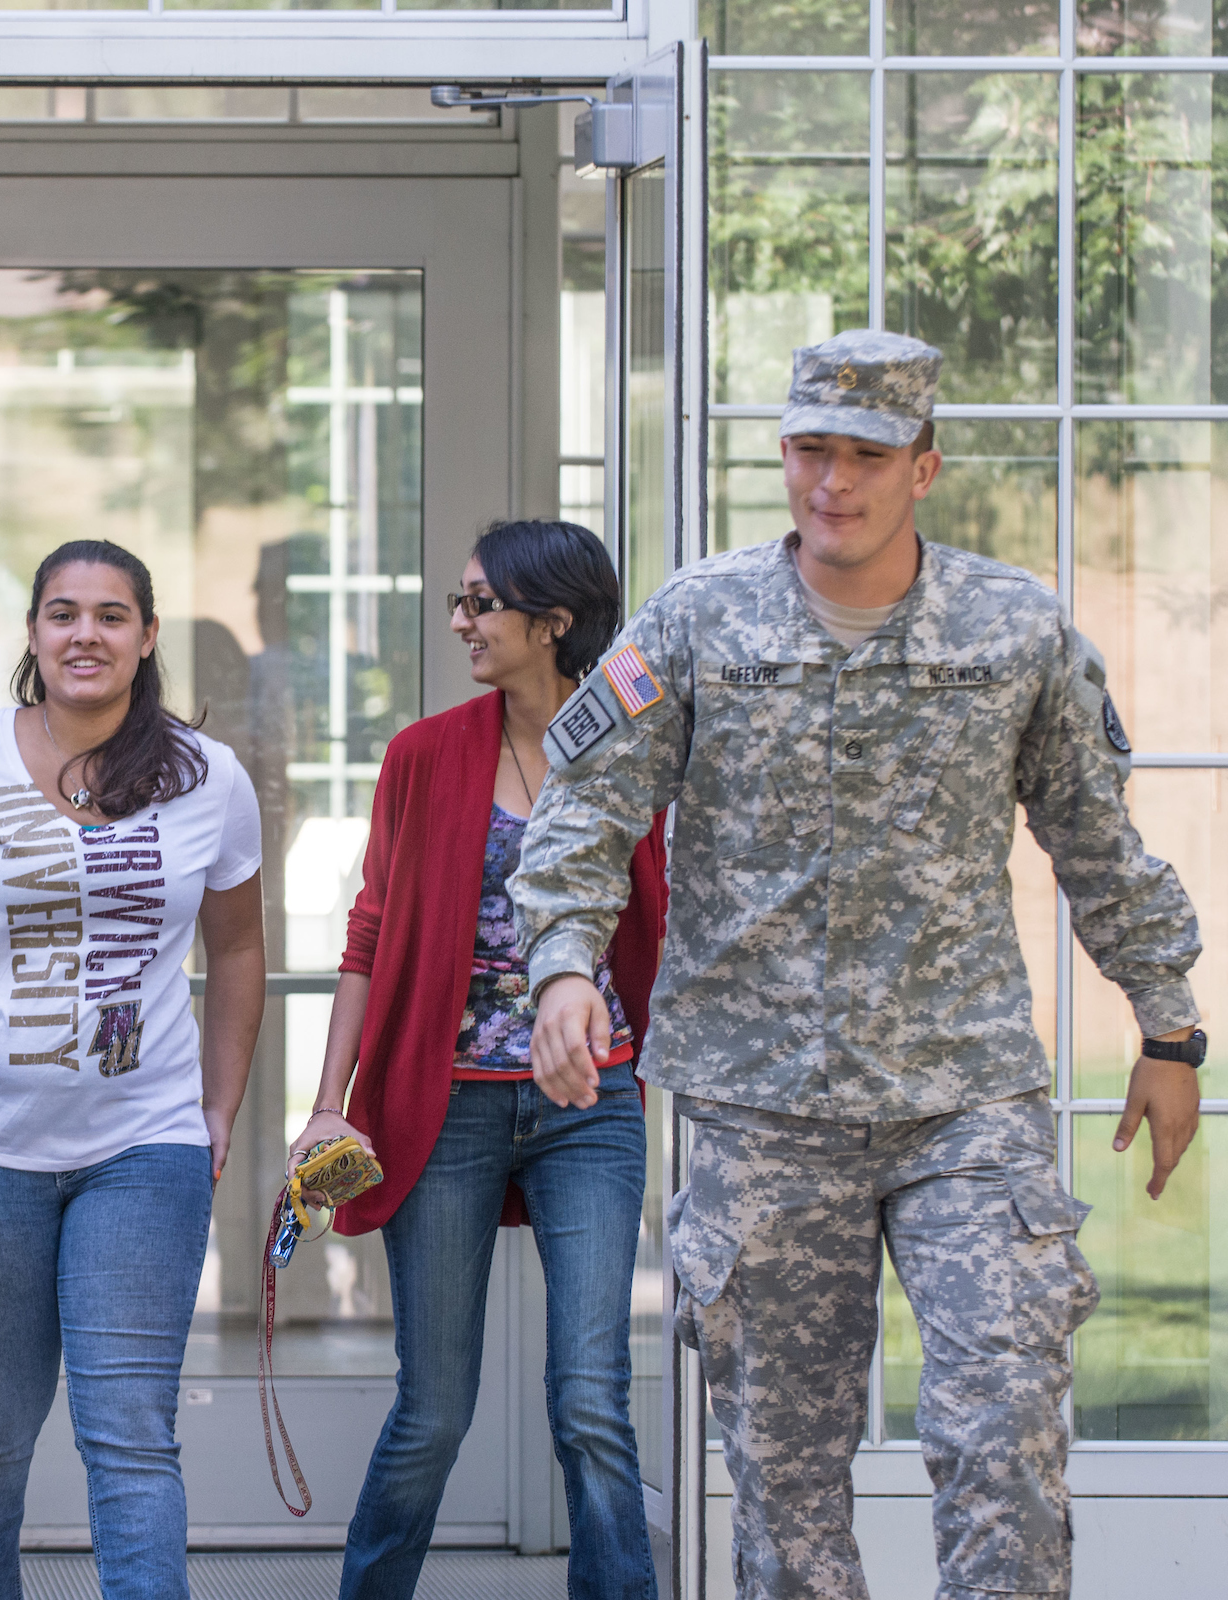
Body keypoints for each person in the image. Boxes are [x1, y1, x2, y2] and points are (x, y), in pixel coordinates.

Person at [513, 330, 1206, 1600]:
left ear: (923, 467)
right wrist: (563, 965)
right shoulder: (699, 619)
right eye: (811, 450)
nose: (834, 481)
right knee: (786, 1489)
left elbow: (1096, 838)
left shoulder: (1013, 628)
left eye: (868, 456)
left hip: (963, 1097)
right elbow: (585, 814)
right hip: (761, 1103)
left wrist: (1167, 1025)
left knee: (1006, 1430)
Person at [0, 539, 268, 1600]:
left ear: (147, 636)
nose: (84, 634)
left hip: (144, 1147)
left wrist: (218, 1104)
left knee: (131, 1432)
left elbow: (238, 950)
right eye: (62, 613)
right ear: (34, 633)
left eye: (109, 615)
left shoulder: (208, 776)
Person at [290, 519, 666, 1600]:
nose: (459, 621)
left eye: (478, 603)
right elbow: (369, 933)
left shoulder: (637, 745)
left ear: (552, 621)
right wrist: (328, 1104)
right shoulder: (424, 754)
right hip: (445, 1103)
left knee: (591, 1399)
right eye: (458, 600)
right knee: (435, 1407)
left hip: (590, 1103)